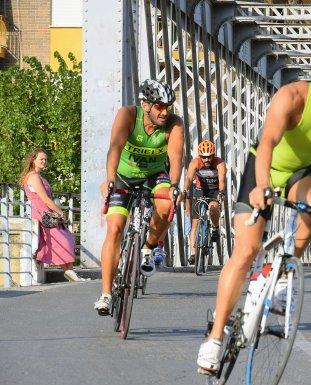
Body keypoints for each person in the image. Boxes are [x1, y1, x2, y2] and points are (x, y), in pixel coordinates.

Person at [196, 50, 311, 373]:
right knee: (245, 251)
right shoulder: (291, 98)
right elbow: (267, 144)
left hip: (298, 173)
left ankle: (283, 272)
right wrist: (261, 186)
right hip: (263, 168)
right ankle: (215, 338)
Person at [94, 79, 184, 315]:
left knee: (166, 204)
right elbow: (115, 147)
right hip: (124, 176)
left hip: (155, 175)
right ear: (146, 105)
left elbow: (176, 157)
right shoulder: (128, 115)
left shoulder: (173, 124)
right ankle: (105, 293)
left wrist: (174, 185)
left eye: (168, 107)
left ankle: (148, 246)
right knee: (114, 228)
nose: (164, 112)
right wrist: (110, 178)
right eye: (159, 107)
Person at [19, 149, 85, 282]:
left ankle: (69, 270)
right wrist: (60, 212)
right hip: (43, 213)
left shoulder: (38, 176)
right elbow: (45, 199)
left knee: (67, 237)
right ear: (33, 160)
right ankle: (68, 271)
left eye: (45, 159)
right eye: (41, 159)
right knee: (61, 239)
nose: (44, 161)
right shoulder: (33, 177)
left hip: (47, 212)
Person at [183, 140, 226, 265]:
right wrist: (185, 190)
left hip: (214, 190)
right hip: (200, 190)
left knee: (213, 209)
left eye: (209, 157)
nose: (206, 160)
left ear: (213, 155)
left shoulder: (219, 163)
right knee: (195, 223)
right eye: (204, 157)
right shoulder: (195, 163)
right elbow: (189, 178)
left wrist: (222, 192)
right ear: (200, 156)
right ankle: (193, 253)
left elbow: (222, 179)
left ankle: (215, 228)